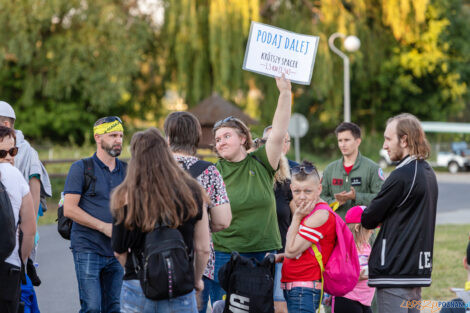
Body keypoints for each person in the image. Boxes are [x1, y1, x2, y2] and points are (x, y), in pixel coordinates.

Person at [111, 127, 210, 312]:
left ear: (134, 156)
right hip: (180, 285)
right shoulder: (192, 191)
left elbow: (119, 252)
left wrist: (142, 275)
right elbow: (203, 248)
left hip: (138, 287)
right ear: (167, 150)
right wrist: (196, 280)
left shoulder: (125, 196)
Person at [211, 76, 292, 300]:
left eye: (227, 136)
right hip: (225, 253)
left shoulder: (261, 161)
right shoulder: (213, 171)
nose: (221, 142)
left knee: (260, 307)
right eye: (217, 140)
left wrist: (285, 93)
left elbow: (278, 132)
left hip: (263, 252)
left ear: (243, 138)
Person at [361, 113, 438, 313]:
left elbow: (369, 218)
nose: (385, 145)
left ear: (404, 140)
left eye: (388, 139)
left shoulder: (402, 175)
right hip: (414, 271)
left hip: (395, 271)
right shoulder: (428, 172)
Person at [163, 111, 231, 312]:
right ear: (197, 138)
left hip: (153, 260)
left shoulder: (151, 168)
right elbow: (223, 220)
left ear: (167, 138)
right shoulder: (208, 171)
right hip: (196, 264)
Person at [63, 116, 126, 313]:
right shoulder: (81, 168)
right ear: (98, 138)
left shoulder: (128, 169)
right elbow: (69, 209)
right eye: (113, 135)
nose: (119, 140)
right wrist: (104, 227)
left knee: (114, 308)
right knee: (91, 307)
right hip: (87, 247)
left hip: (118, 250)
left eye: (121, 136)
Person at [0, 100, 52, 285]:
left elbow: (34, 188)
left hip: (21, 218)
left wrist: (30, 224)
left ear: (5, 124)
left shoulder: (28, 151)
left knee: (21, 279)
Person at [280, 161, 337, 313]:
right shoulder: (309, 210)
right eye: (297, 191)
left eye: (308, 191)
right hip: (297, 288)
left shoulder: (319, 214)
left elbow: (291, 251)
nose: (302, 197)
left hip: (304, 290)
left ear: (319, 188)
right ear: (291, 188)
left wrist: (297, 218)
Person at [0, 126, 36, 313]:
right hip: (8, 266)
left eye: (12, 151)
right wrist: (20, 259)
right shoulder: (14, 175)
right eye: (2, 153)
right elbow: (29, 228)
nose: (8, 157)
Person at [262, 125, 297, 313]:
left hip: (282, 256)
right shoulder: (254, 180)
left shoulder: (289, 182)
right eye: (272, 141)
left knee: (280, 304)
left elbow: (300, 217)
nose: (277, 146)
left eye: (283, 141)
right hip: (257, 255)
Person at [321, 122, 384, 219]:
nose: (342, 144)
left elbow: (381, 198)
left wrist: (356, 197)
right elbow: (320, 198)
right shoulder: (330, 169)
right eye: (340, 140)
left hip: (362, 230)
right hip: (337, 230)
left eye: (347, 140)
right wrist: (336, 202)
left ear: (358, 141)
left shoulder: (372, 168)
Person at [334, 205, 375, 313]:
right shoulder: (344, 247)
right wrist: (356, 277)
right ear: (357, 228)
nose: (373, 231)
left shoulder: (367, 246)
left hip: (365, 301)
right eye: (370, 227)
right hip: (347, 299)